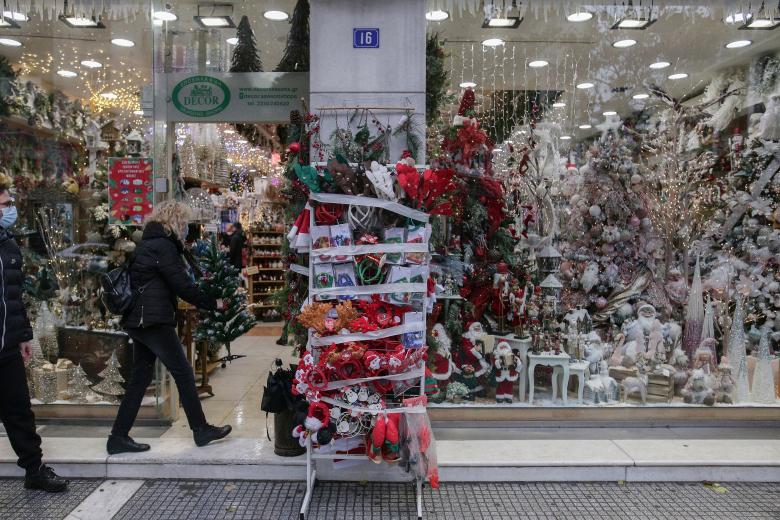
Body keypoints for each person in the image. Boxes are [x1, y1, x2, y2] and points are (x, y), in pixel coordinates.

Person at [108, 201, 232, 454]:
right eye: (184, 223)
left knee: (139, 380)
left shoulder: (149, 243)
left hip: (141, 320)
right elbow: (181, 284)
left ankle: (117, 437)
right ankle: (200, 429)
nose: (185, 228)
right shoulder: (163, 246)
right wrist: (213, 303)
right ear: (174, 221)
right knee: (184, 373)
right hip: (153, 320)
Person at [0, 183, 68, 492]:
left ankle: (34, 470)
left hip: (7, 346)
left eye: (9, 202)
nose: (9, 208)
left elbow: (14, 297)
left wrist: (24, 335)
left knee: (19, 411)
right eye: (3, 204)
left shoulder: (9, 244)